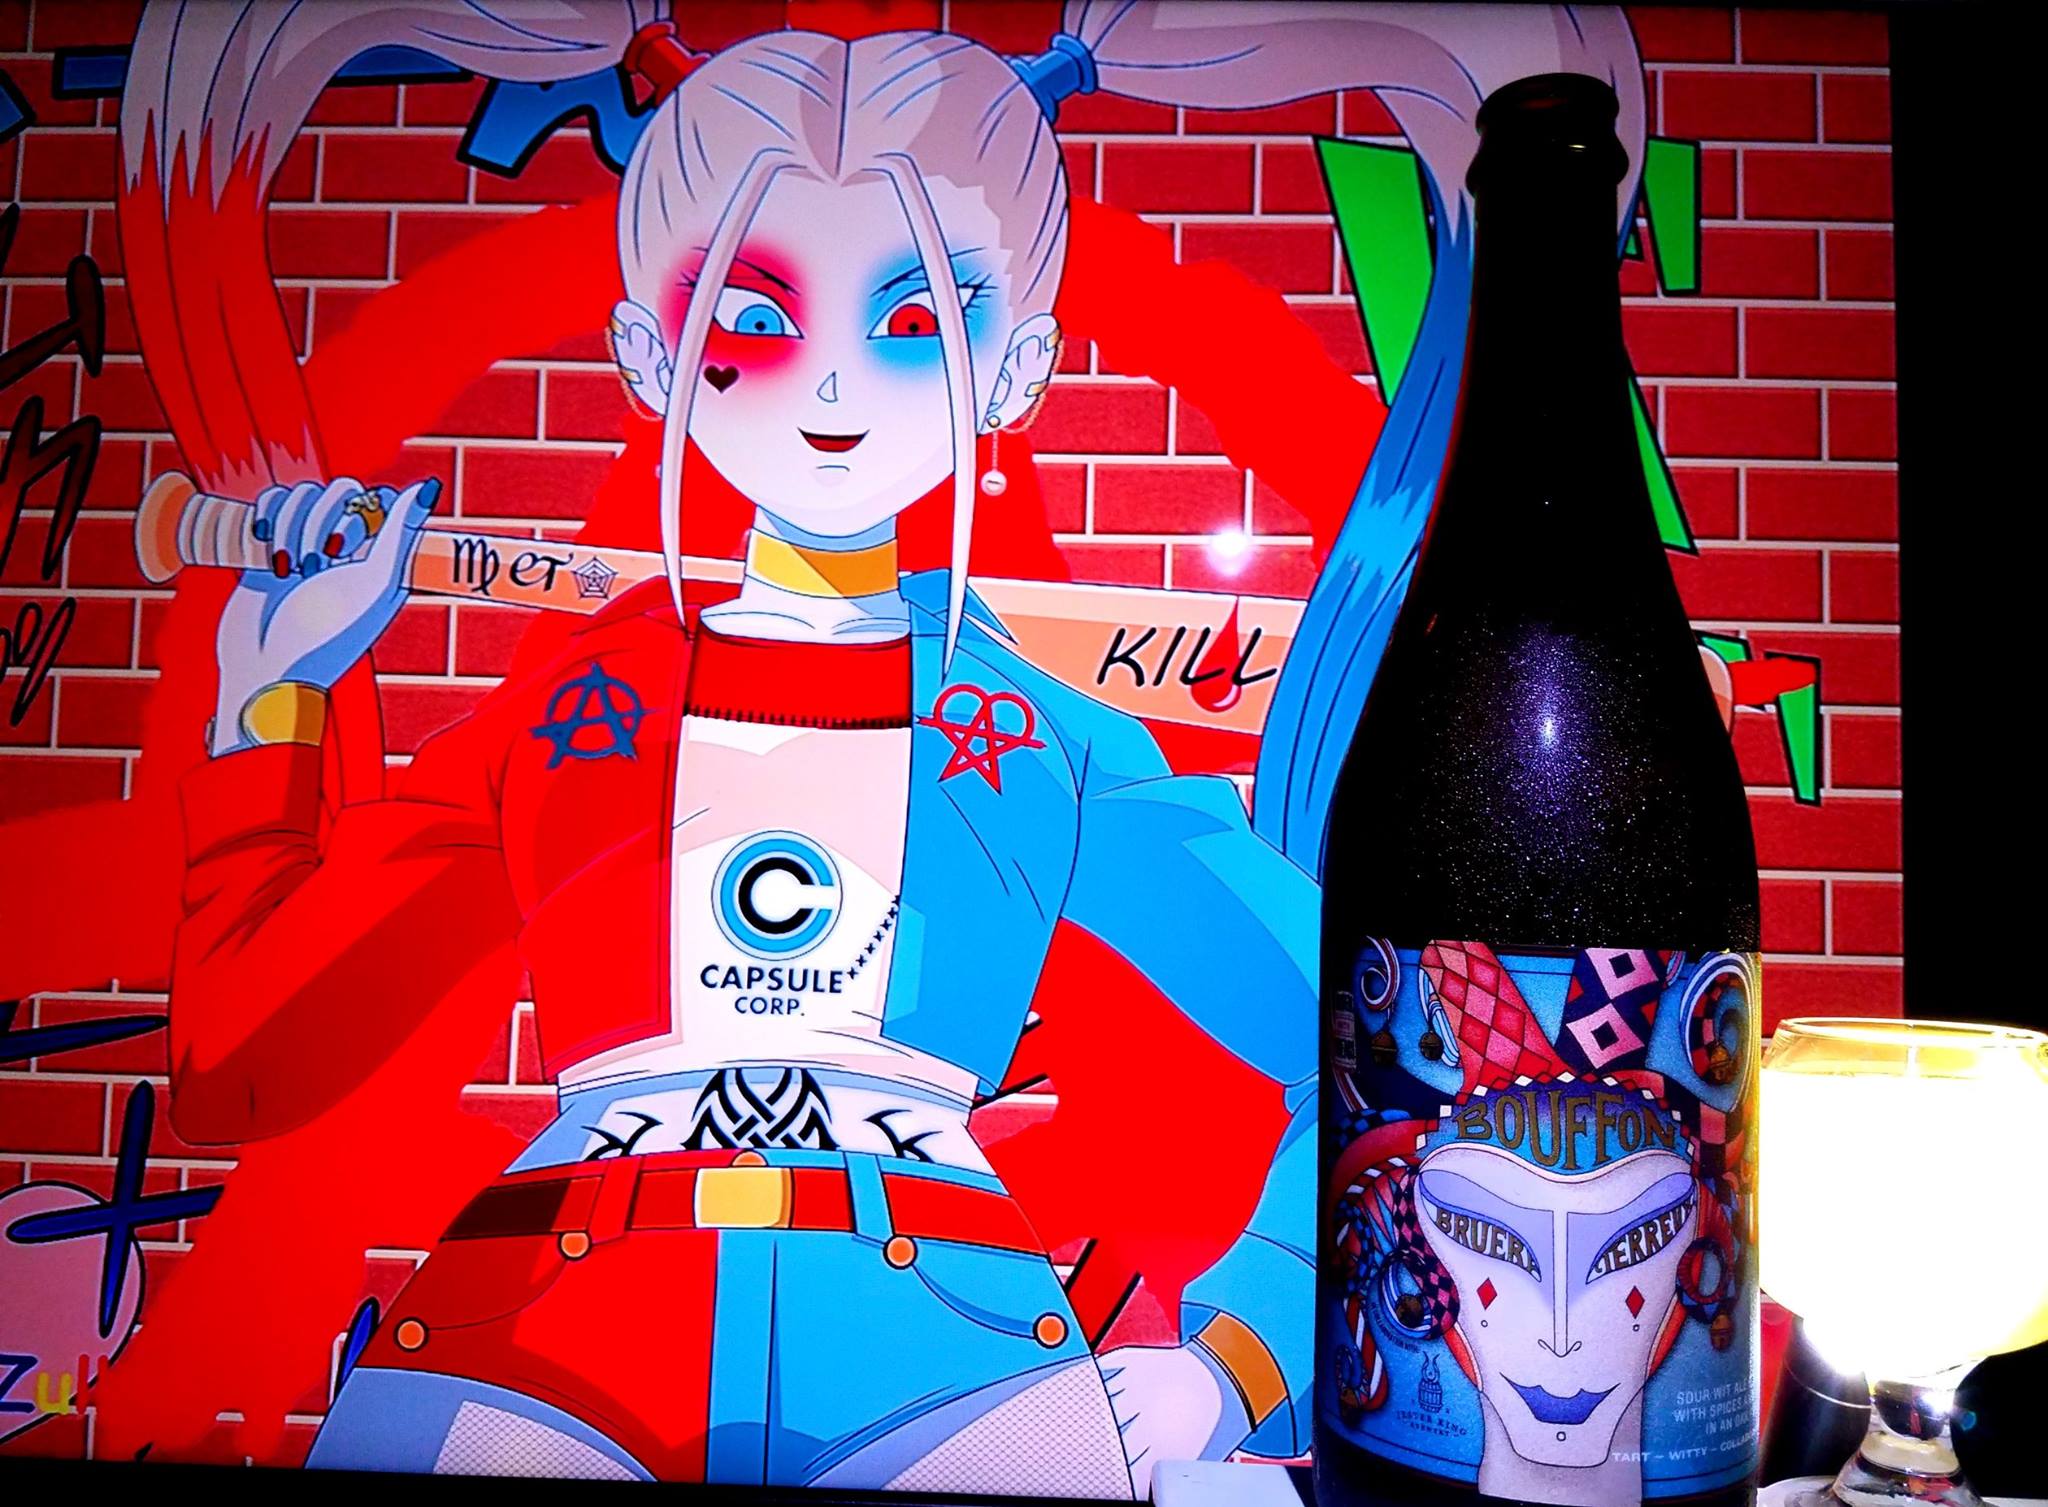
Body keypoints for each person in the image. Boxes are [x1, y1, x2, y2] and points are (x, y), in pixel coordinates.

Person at [125, 0, 1644, 1492]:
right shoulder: (568, 716)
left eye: (919, 320)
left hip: (948, 1357)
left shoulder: (1037, 743)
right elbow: (240, 1066)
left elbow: (1385, 1049)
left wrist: (1230, 1365)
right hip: (538, 1333)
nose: (837, 386)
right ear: (649, 358)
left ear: (1020, 369)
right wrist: (271, 700)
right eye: (755, 318)